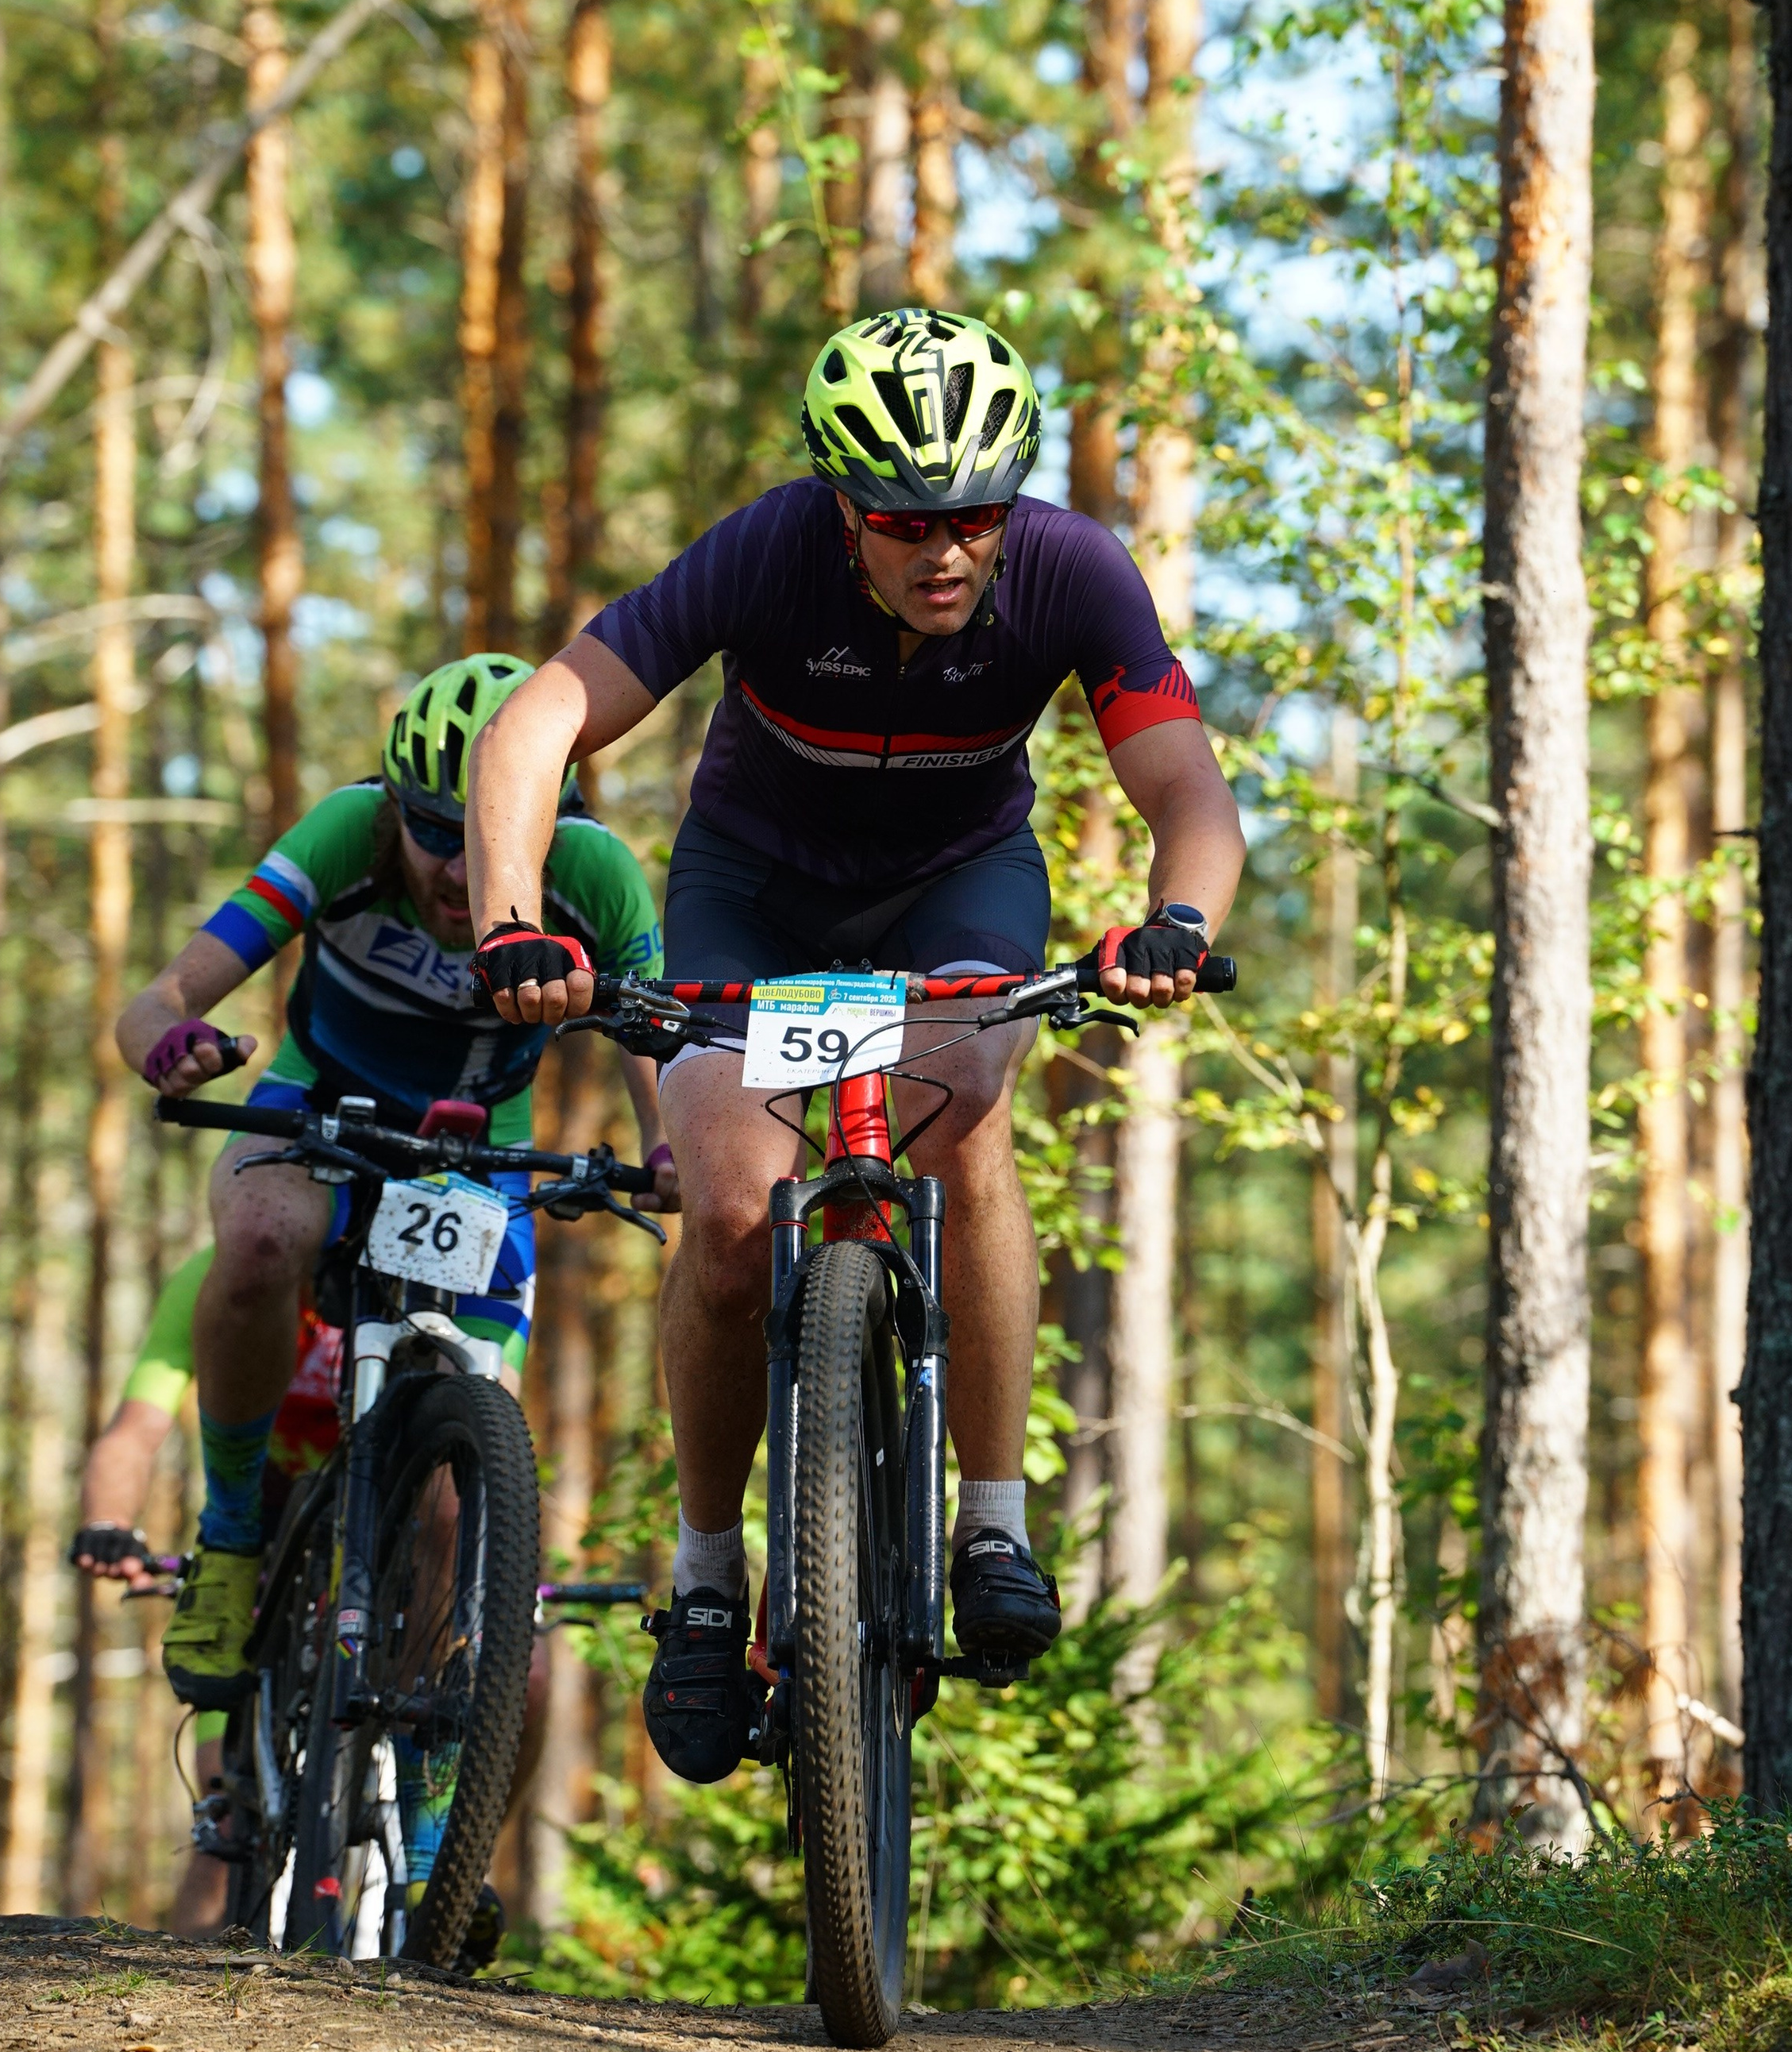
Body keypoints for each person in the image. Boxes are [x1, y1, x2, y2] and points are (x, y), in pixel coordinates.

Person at [464, 306, 1245, 1785]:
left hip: (961, 879)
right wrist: (514, 921)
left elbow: (1189, 797)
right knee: (736, 1205)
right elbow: (538, 719)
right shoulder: (765, 553)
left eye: (974, 517)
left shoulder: (1074, 570)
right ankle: (705, 1576)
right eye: (903, 523)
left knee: (963, 1121)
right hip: (751, 892)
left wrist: (1179, 919)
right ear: (842, 506)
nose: (946, 553)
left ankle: (993, 1522)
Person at [114, 651, 676, 1715]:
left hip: (474, 1154)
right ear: (393, 810)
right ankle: (231, 1542)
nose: (459, 873)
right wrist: (172, 1042)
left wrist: (668, 1146)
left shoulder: (594, 873)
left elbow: (658, 1042)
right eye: (432, 831)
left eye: (486, 836)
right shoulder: (343, 833)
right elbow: (159, 997)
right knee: (258, 1242)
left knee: (464, 1506)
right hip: (316, 1110)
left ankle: (429, 1840)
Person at [71, 1244, 343, 1933]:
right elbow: (135, 1429)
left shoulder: (417, 1273)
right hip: (257, 1554)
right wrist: (108, 1523)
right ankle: (187, 1992)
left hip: (373, 1553)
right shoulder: (217, 1276)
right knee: (225, 1809)